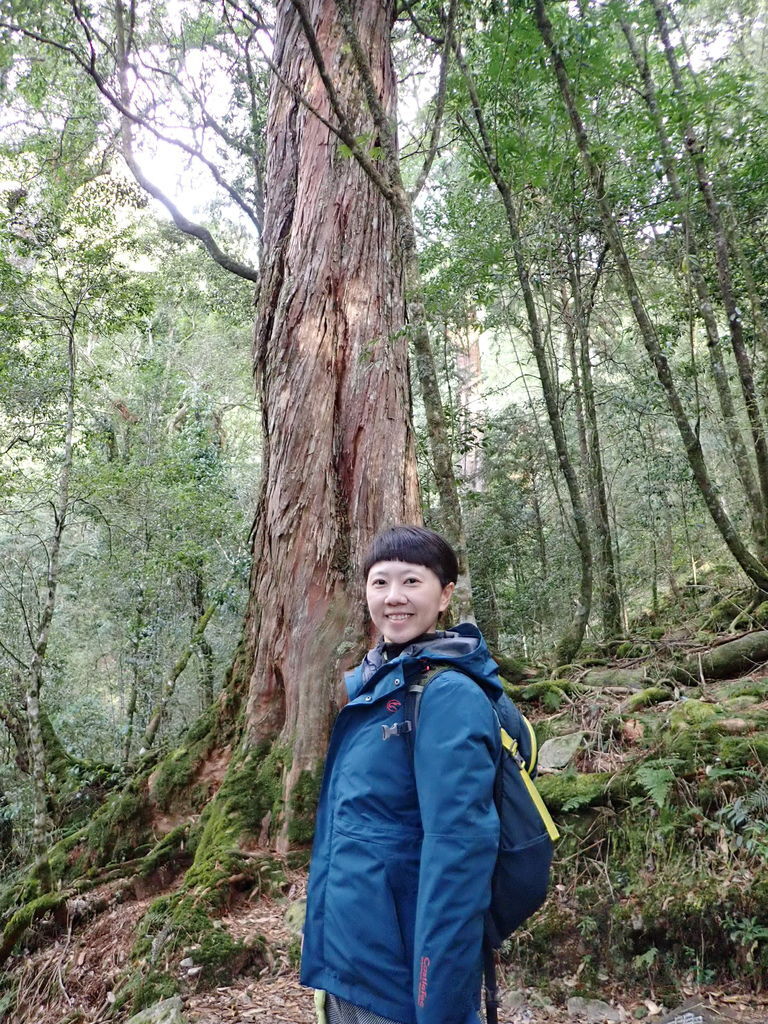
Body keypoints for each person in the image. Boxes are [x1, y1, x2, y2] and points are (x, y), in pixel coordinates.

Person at [300, 525, 502, 1024]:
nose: (394, 597)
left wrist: (438, 1002)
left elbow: (459, 858)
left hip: (400, 980)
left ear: (445, 594)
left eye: (411, 581)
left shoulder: (446, 696)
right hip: (351, 960)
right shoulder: (380, 685)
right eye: (380, 582)